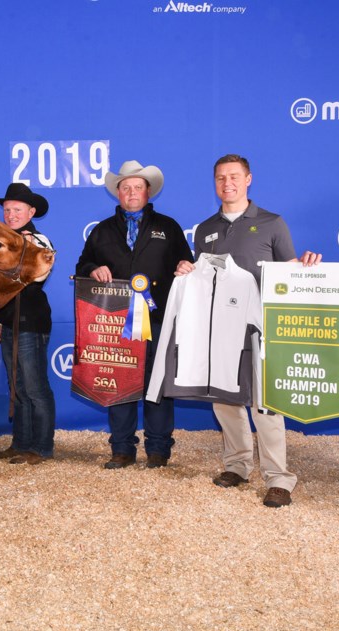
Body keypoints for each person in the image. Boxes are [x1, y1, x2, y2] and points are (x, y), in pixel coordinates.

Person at [175, 154, 321, 508]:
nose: (228, 183)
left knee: (265, 405)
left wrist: (305, 266)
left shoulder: (272, 222)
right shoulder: (205, 228)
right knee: (225, 401)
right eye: (221, 178)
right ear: (215, 182)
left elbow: (289, 269)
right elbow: (205, 278)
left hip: (261, 328)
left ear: (249, 179)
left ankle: (278, 478)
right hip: (220, 328)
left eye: (235, 177)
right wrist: (187, 268)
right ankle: (237, 466)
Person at [75, 160, 194, 470]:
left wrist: (185, 267)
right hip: (115, 321)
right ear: (118, 192)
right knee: (119, 381)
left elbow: (187, 262)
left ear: (148, 191)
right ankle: (122, 448)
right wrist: (93, 269)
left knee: (158, 385)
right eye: (125, 187)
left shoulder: (168, 227)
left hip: (157, 318)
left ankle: (158, 449)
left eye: (137, 187)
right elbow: (81, 267)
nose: (131, 192)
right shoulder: (101, 231)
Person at [0, 183, 56, 465]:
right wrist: (2, 322)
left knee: (34, 387)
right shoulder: (2, 243)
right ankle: (21, 443)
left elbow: (37, 277)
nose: (11, 214)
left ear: (31, 212)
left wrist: (24, 243)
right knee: (17, 386)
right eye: (7, 209)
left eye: (17, 209)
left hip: (31, 320)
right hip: (11, 321)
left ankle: (41, 447)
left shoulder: (40, 242)